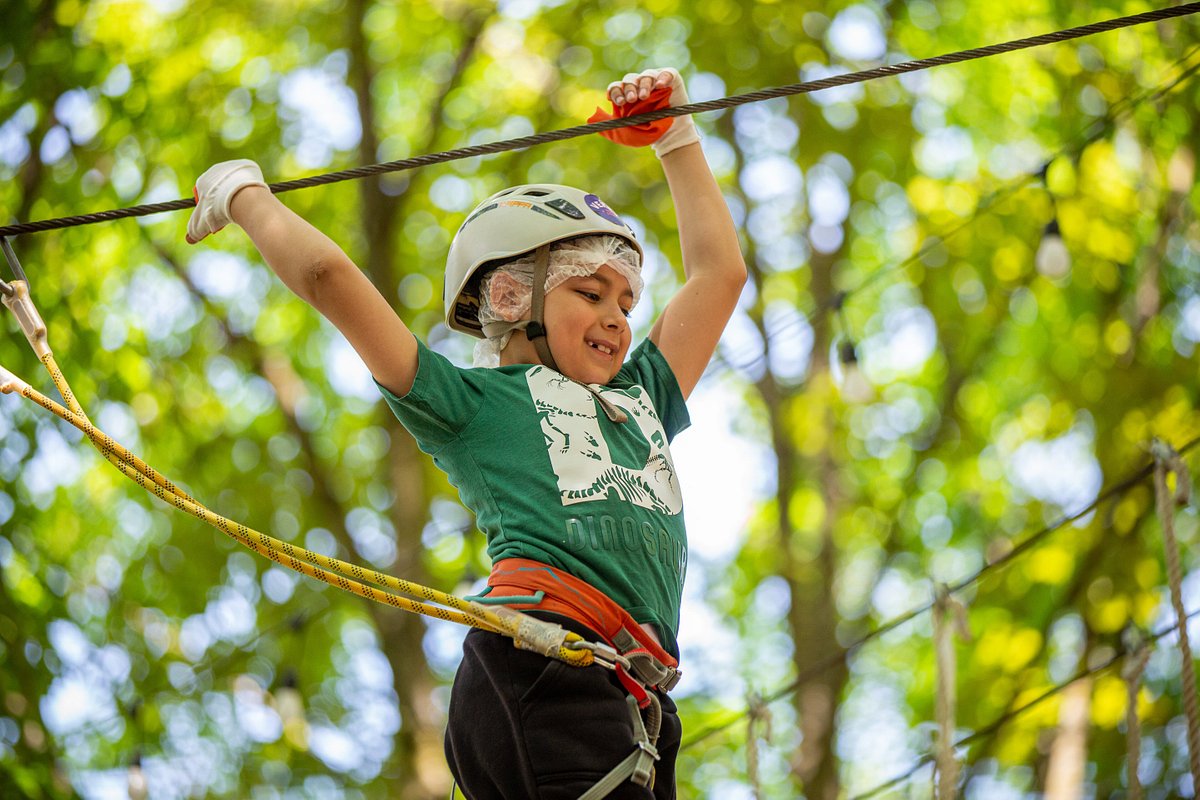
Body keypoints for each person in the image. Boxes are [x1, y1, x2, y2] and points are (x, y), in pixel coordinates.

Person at [187, 67, 745, 799]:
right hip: (544, 669)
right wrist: (245, 197)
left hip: (630, 699)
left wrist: (676, 135)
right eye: (589, 292)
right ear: (510, 298)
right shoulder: (477, 405)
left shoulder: (641, 396)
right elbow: (328, 276)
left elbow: (720, 274)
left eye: (627, 300)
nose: (618, 316)